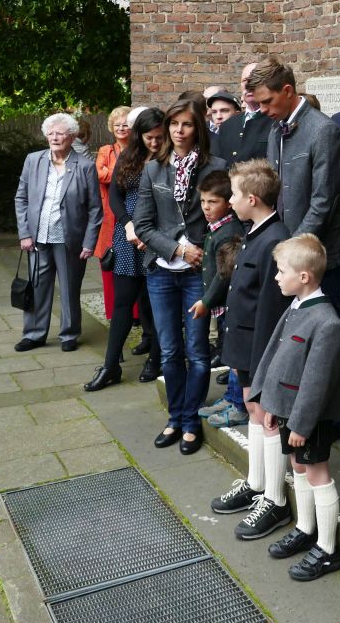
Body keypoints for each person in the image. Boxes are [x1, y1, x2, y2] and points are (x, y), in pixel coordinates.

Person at [253, 233, 340, 581]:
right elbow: (278, 359)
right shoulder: (297, 306)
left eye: (282, 271)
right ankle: (306, 528)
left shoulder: (326, 322)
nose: (277, 277)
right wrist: (270, 403)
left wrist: (300, 424)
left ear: (304, 276)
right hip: (289, 411)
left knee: (317, 473)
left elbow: (316, 382)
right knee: (298, 466)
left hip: (310, 417)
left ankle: (327, 550)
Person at [135, 98, 226, 455]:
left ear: (197, 127)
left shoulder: (216, 167)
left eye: (186, 124)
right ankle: (175, 417)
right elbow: (143, 224)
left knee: (198, 351)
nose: (179, 130)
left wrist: (203, 251)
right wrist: (177, 250)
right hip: (162, 271)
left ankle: (190, 421)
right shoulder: (153, 169)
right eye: (174, 124)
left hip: (197, 274)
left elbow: (226, 218)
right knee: (170, 350)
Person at [210, 159, 291, 537]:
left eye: (234, 195)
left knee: (266, 417)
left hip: (260, 349)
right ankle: (257, 483)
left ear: (253, 199)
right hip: (245, 344)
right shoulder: (256, 231)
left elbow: (271, 311)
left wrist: (261, 364)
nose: (230, 200)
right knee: (253, 411)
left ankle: (275, 500)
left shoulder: (274, 239)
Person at [254, 56, 340, 310]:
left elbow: (324, 201)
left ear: (287, 91)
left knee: (320, 324)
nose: (262, 109)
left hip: (316, 255)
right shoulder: (276, 129)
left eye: (267, 101)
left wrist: (292, 248)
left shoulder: (324, 130)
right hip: (286, 252)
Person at [84, 108, 165, 391]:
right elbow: (115, 197)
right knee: (123, 303)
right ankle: (110, 366)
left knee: (156, 302)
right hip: (127, 236)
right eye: (148, 137)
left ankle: (156, 358)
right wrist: (128, 225)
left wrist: (149, 234)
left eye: (158, 137)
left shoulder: (170, 159)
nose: (153, 142)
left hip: (157, 236)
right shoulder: (129, 155)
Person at [13, 113, 103, 353]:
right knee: (37, 286)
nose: (54, 137)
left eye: (60, 133)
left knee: (69, 288)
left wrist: (89, 242)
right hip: (38, 237)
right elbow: (21, 198)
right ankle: (33, 334)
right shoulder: (33, 160)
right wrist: (24, 233)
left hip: (70, 239)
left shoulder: (85, 166)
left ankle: (69, 333)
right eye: (50, 133)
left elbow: (95, 208)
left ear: (72, 137)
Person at [188, 170, 247, 427]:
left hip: (229, 305)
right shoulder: (217, 228)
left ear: (228, 203)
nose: (206, 207)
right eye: (203, 201)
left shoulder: (229, 232)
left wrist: (207, 301)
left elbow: (224, 274)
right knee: (227, 352)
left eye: (213, 202)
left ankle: (239, 405)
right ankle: (231, 397)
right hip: (223, 308)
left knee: (234, 357)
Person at [95, 106, 133, 320]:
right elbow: (99, 174)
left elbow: (106, 173)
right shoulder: (105, 150)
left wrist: (112, 172)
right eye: (117, 124)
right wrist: (124, 174)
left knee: (135, 263)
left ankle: (137, 314)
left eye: (125, 124)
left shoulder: (139, 149)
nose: (121, 128)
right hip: (110, 214)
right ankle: (113, 311)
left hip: (135, 210)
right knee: (110, 260)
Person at [213, 62, 272, 165]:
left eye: (254, 79)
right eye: (245, 81)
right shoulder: (228, 125)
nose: (248, 85)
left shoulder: (275, 120)